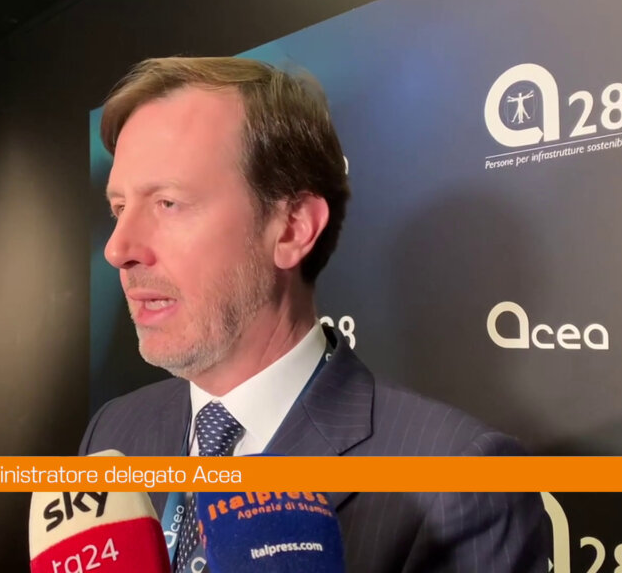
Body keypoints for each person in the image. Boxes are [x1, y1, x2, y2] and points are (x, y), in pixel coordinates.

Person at [79, 56, 551, 572]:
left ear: (292, 228)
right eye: (118, 208)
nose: (118, 249)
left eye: (167, 203)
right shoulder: (113, 432)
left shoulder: (457, 482)